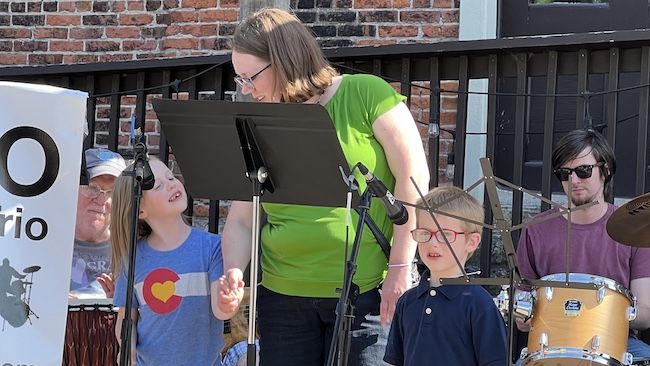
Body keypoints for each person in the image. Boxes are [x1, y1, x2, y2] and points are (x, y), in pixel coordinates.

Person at [220, 7, 430, 366]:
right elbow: (242, 218)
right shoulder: (256, 119)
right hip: (281, 300)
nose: (247, 89)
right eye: (239, 80)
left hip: (365, 297)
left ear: (284, 61)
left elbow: (415, 181)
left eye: (251, 77)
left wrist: (399, 269)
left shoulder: (366, 94)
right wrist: (234, 271)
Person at [516, 129, 650, 361]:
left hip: (618, 343)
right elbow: (522, 306)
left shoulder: (634, 230)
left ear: (605, 171)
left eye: (583, 171)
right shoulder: (535, 230)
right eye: (565, 173)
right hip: (550, 345)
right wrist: (523, 314)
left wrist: (595, 313)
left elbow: (645, 314)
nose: (574, 180)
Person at [110, 159, 244, 365]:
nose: (172, 184)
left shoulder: (212, 247)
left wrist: (228, 302)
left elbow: (221, 310)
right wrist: (127, 346)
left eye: (171, 177)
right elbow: (127, 318)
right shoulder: (132, 258)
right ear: (140, 210)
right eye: (159, 185)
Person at [383, 186, 507, 366]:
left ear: (471, 242)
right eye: (425, 233)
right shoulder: (407, 301)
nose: (433, 243)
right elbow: (395, 361)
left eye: (445, 235)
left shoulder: (479, 304)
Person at [69, 147, 126, 299]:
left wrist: (120, 303)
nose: (102, 200)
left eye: (112, 192)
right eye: (92, 188)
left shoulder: (133, 251)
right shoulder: (46, 245)